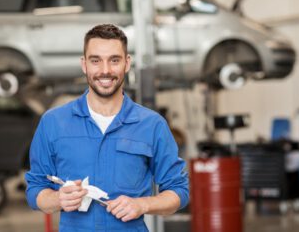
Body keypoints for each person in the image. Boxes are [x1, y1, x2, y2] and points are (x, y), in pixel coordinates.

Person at [25, 24, 189, 231]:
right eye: (96, 61)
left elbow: (178, 191)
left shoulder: (152, 125)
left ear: (127, 63)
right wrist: (57, 199)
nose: (105, 70)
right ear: (84, 64)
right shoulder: (53, 123)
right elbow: (35, 191)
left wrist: (142, 204)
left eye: (114, 60)